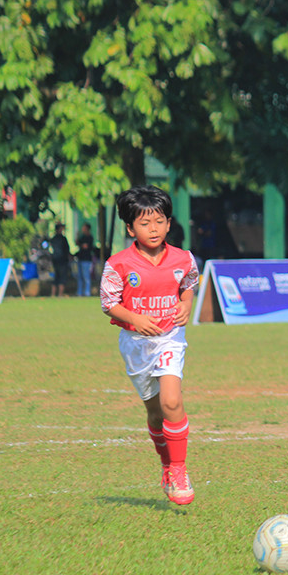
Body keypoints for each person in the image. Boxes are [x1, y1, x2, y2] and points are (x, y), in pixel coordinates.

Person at [99, 186, 200, 505]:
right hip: (135, 344)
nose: (153, 228)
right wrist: (134, 318)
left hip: (170, 338)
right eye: (144, 223)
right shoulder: (118, 264)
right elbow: (108, 303)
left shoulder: (183, 259)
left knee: (172, 402)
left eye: (159, 221)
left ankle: (180, 469)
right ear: (130, 228)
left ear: (169, 223)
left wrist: (187, 304)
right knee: (155, 414)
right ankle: (167, 465)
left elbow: (188, 286)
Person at [49, 223, 71, 297]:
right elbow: (67, 250)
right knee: (62, 277)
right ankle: (60, 294)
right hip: (62, 260)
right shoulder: (63, 239)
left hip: (55, 260)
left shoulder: (53, 239)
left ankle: (53, 294)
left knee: (56, 277)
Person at [75, 223, 96, 297]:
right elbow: (78, 243)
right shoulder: (82, 237)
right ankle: (79, 292)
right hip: (80, 258)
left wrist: (82, 245)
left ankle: (87, 292)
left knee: (86, 276)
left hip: (86, 260)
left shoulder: (90, 237)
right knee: (80, 276)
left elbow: (85, 246)